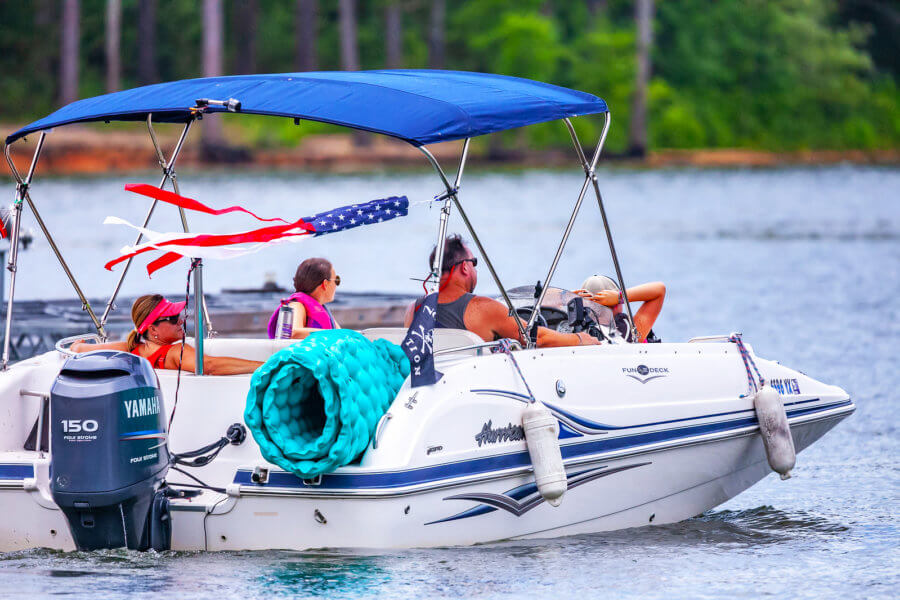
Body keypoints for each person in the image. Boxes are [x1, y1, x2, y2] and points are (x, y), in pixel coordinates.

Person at [404, 235, 599, 347]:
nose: (474, 269)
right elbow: (537, 337)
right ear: (464, 267)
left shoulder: (414, 309)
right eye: (474, 263)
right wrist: (580, 338)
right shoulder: (483, 308)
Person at [71, 294, 263, 375]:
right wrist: (267, 366)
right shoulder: (173, 353)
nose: (181, 320)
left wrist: (78, 346)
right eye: (172, 318)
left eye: (178, 315)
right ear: (152, 329)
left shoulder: (129, 349)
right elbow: (209, 365)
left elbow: (80, 349)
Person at [574, 275, 665, 342]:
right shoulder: (632, 332)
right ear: (618, 305)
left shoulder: (574, 334)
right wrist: (620, 297)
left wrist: (567, 299)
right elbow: (660, 290)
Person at [267, 257, 340, 340]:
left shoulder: (326, 313)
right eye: (336, 280)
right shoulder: (296, 305)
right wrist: (330, 334)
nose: (336, 286)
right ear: (325, 284)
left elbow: (342, 336)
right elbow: (293, 333)